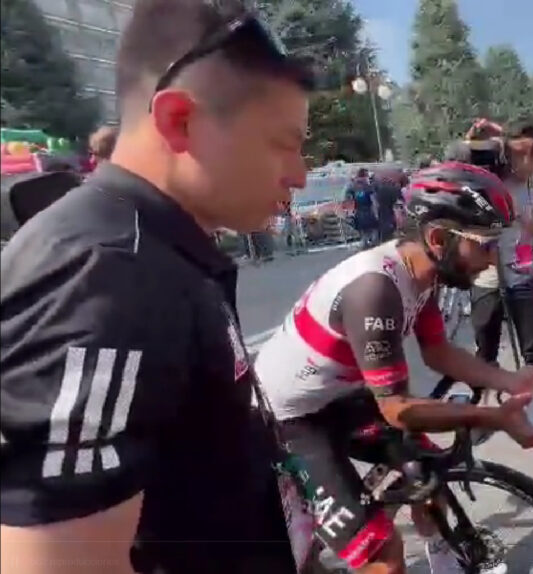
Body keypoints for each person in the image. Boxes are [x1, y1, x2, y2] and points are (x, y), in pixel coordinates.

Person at [0, 1, 316, 573]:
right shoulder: (108, 276)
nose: (300, 174)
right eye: (283, 142)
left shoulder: (160, 247)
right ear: (178, 121)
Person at [253, 162, 533, 574]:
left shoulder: (423, 272)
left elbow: (438, 351)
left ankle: (443, 564)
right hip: (289, 419)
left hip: (338, 394)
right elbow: (397, 408)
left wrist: (510, 379)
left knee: (425, 474)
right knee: (384, 555)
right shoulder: (374, 291)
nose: (491, 260)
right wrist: (496, 417)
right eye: (484, 244)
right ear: (438, 238)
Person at [467, 119, 533, 370]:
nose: (526, 160)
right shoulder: (485, 181)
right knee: (485, 352)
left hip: (525, 277)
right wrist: (474, 137)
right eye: (519, 152)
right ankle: (487, 403)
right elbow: (457, 161)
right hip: (487, 278)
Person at [346, 168, 379, 248]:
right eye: (367, 176)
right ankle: (372, 247)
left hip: (358, 212)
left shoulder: (352, 187)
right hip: (368, 211)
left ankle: (364, 245)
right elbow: (373, 201)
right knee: (374, 230)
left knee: (363, 233)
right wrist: (376, 213)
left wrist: (350, 213)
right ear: (365, 176)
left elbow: (349, 200)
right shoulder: (368, 187)